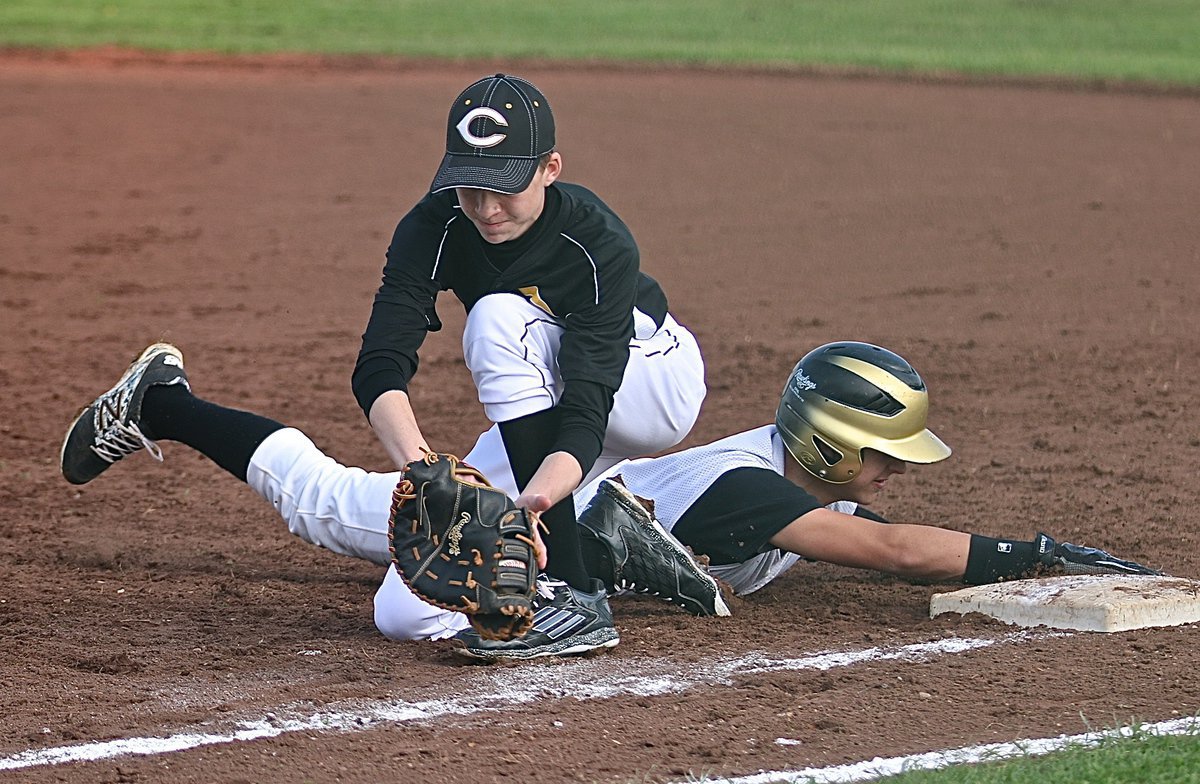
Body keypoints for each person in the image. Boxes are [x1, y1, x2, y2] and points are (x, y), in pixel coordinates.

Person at [60, 343, 724, 662]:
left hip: (581, 409)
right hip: (584, 410)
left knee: (398, 601)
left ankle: (585, 547)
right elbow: (383, 358)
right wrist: (431, 482)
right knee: (339, 512)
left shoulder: (524, 260)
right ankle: (163, 403)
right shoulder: (533, 242)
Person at [351, 73, 706, 657]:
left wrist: (534, 502)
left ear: (550, 168)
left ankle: (576, 591)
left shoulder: (598, 240)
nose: (487, 209)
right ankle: (605, 541)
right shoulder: (431, 227)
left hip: (649, 384)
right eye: (470, 188)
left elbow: (590, 408)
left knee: (496, 317)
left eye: (506, 187)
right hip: (544, 393)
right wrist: (425, 474)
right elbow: (379, 365)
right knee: (402, 616)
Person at [573, 340, 1161, 601]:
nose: (900, 466)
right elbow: (894, 550)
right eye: (884, 449)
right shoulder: (744, 484)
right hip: (534, 570)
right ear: (828, 441)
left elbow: (906, 551)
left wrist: (997, 563)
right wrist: (1034, 554)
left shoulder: (806, 487)